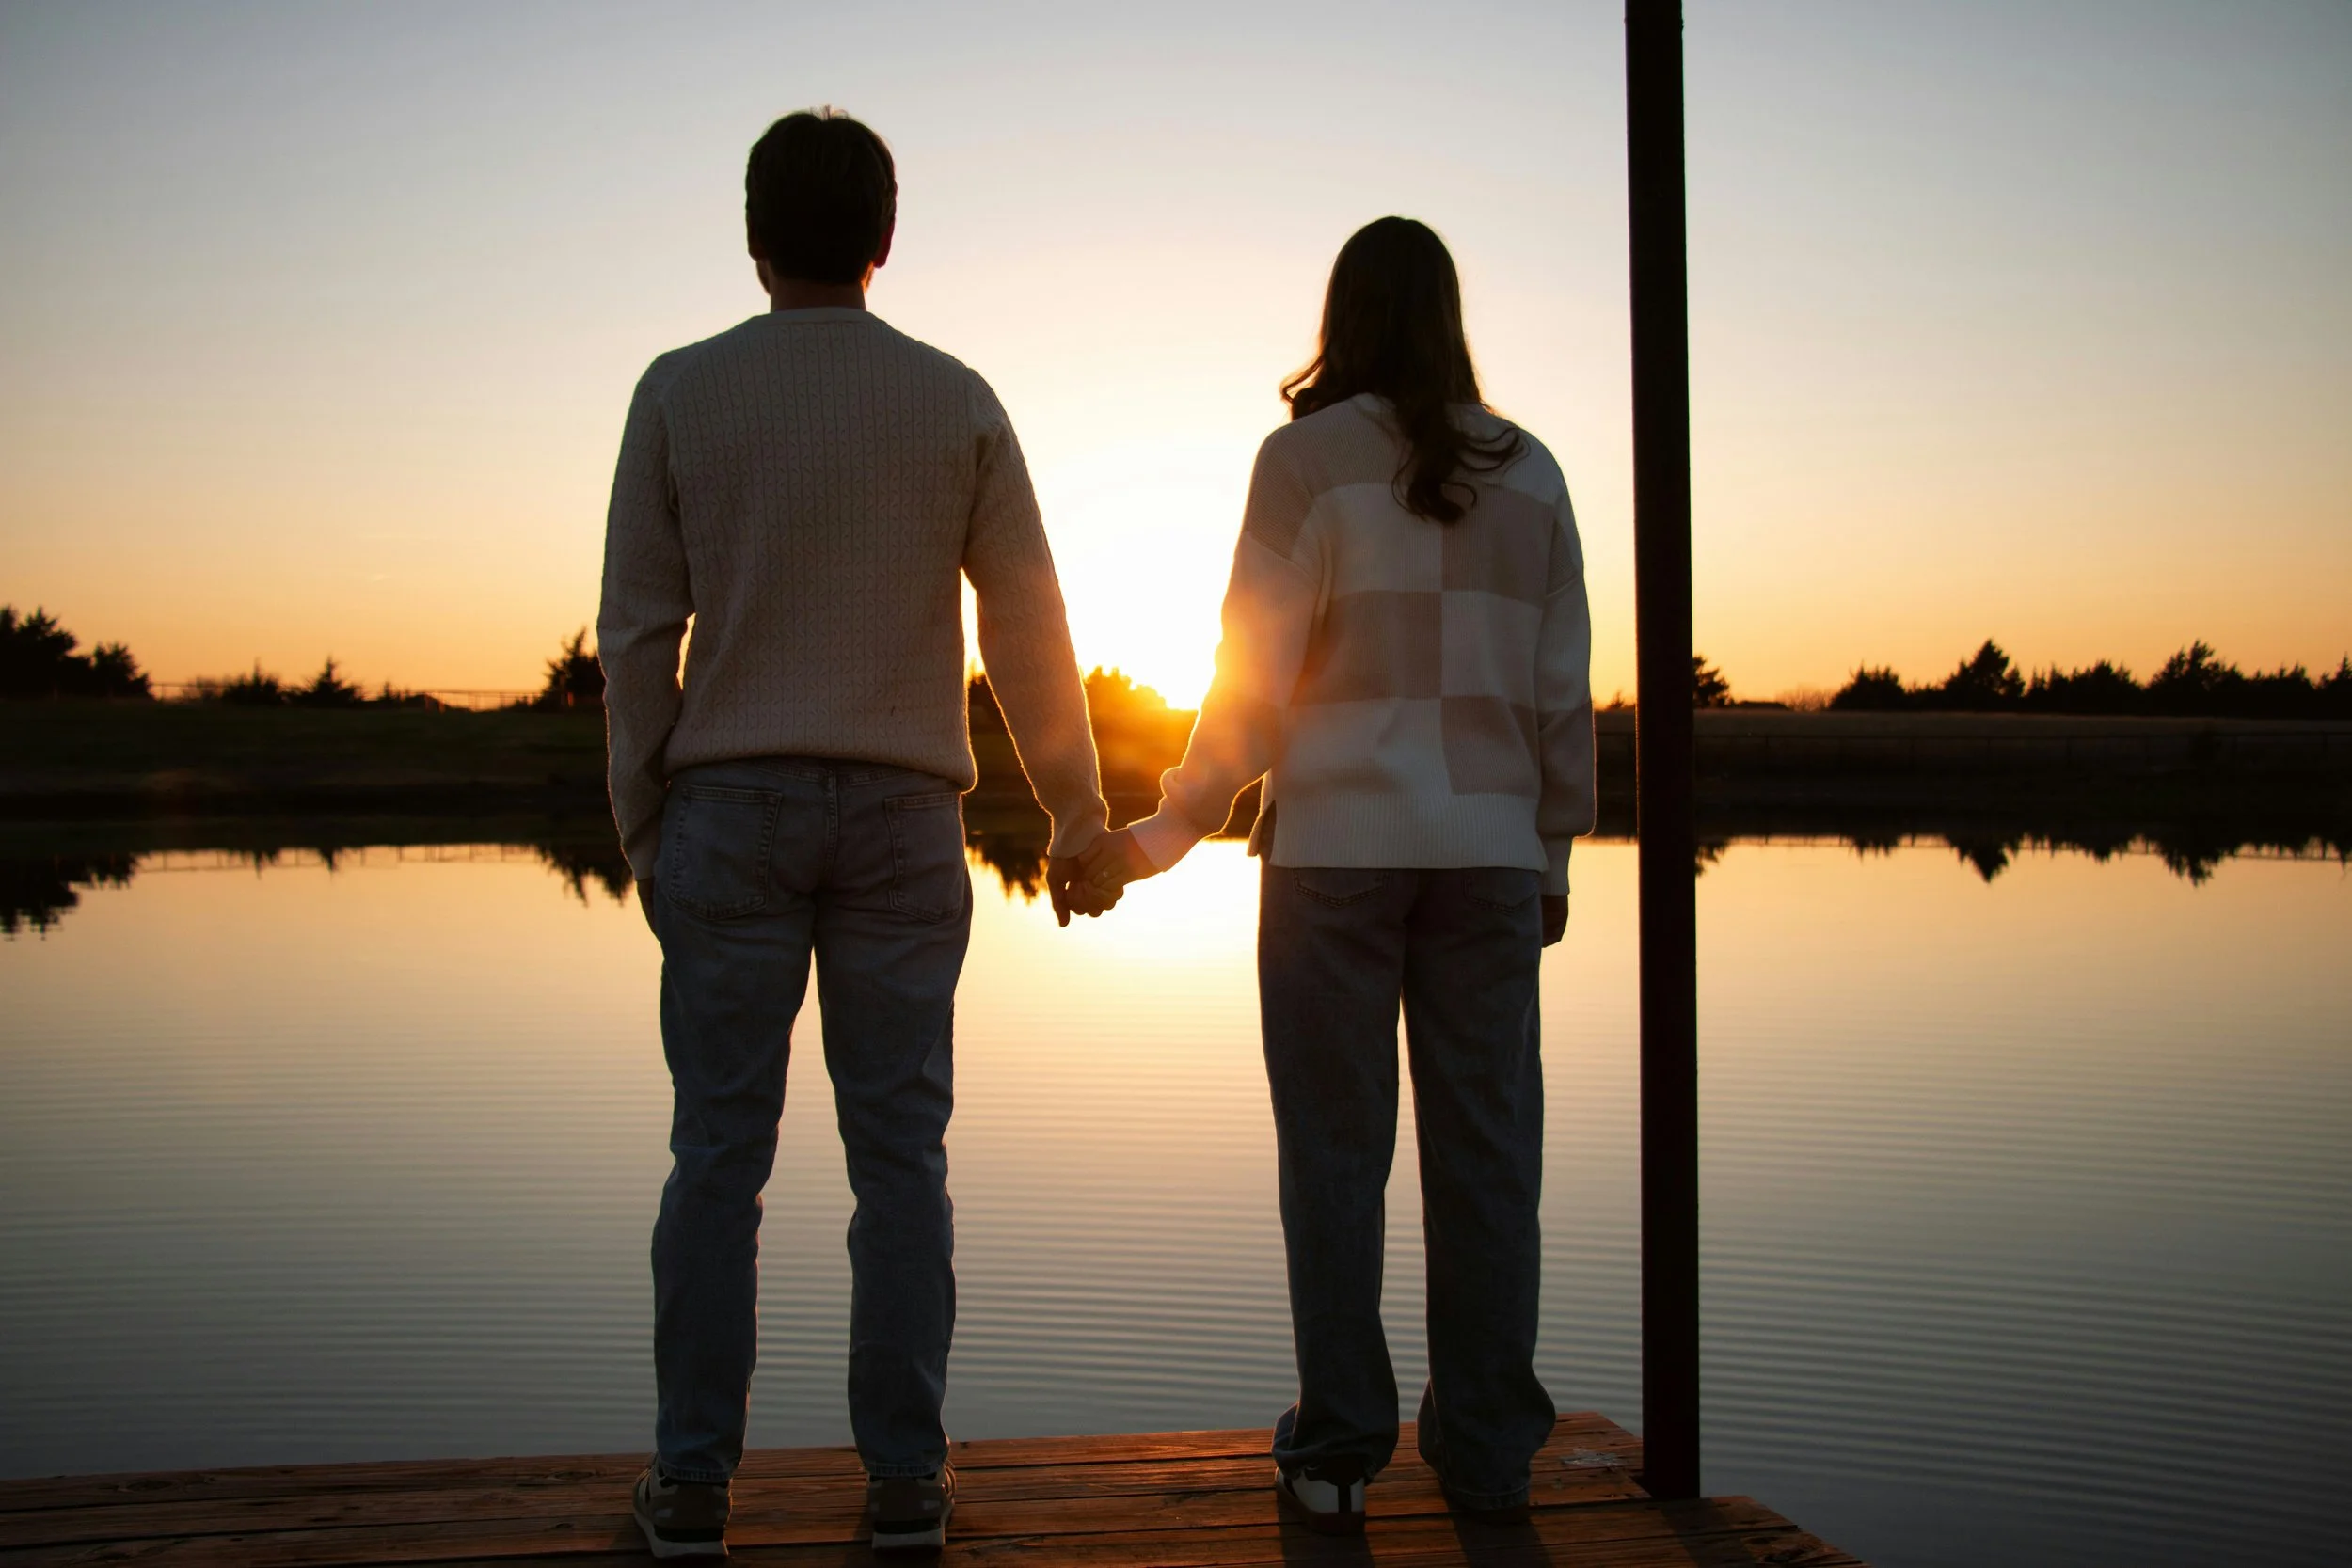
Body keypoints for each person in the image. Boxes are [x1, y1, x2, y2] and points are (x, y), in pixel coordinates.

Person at [598, 108, 1116, 1560]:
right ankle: (903, 1482)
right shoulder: (953, 399)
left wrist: (644, 814)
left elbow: (638, 633)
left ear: (754, 233)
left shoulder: (677, 392)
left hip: (729, 808)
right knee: (903, 1160)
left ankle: (693, 1485)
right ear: (885, 237)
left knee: (717, 1155)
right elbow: (1028, 627)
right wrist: (1075, 809)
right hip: (901, 815)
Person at [1081, 216, 1594, 1534]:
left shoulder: (1300, 463)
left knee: (1334, 1157)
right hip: (1484, 864)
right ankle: (1487, 1455)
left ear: (1341, 315)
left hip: (1336, 863)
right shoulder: (1533, 475)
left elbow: (1247, 683)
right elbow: (1558, 697)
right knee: (1489, 1161)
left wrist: (1159, 833)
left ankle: (1342, 1443)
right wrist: (1549, 856)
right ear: (1451, 313)